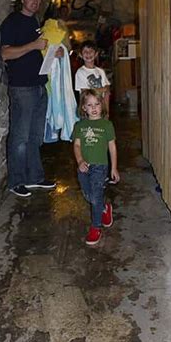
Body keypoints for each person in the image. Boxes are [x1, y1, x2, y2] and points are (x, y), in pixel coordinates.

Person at [0, 0, 60, 198]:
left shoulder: (34, 21)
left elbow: (35, 52)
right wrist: (33, 46)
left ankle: (34, 177)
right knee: (20, 136)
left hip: (38, 85)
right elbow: (6, 54)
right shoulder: (12, 22)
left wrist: (53, 55)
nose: (35, 1)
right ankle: (16, 181)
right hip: (22, 87)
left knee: (35, 135)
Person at [72, 89, 120, 246]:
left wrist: (114, 168)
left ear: (102, 105)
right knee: (89, 196)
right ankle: (105, 207)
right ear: (84, 108)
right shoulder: (80, 125)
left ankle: (96, 227)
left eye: (97, 104)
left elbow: (112, 147)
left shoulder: (107, 125)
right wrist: (79, 161)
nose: (94, 108)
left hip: (100, 166)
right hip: (84, 166)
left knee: (95, 197)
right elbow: (77, 145)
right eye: (89, 105)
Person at [74, 40, 110, 110]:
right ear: (81, 55)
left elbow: (107, 91)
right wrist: (102, 89)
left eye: (91, 51)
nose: (88, 54)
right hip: (88, 109)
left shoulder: (101, 71)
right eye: (85, 52)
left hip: (101, 108)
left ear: (96, 54)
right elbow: (85, 93)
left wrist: (107, 110)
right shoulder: (80, 72)